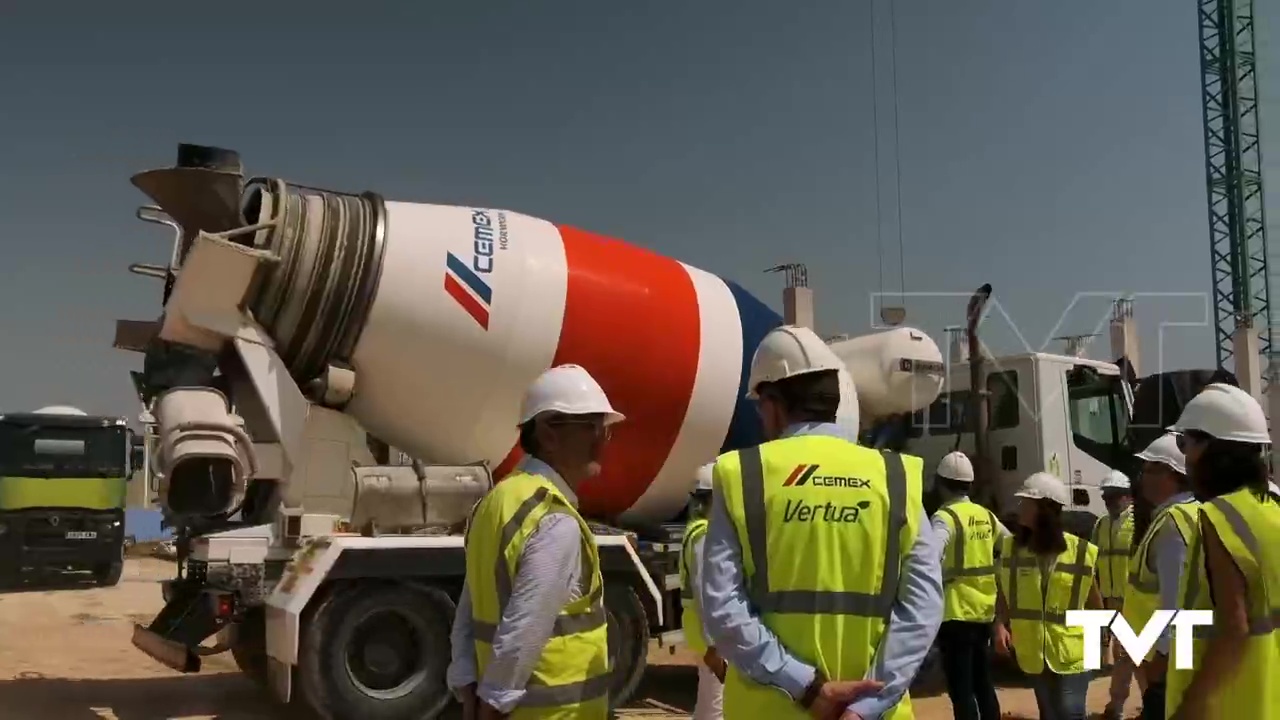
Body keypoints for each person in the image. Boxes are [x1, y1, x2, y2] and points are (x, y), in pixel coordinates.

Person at [700, 324, 944, 720]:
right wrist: (867, 705)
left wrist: (809, 689)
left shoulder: (744, 475)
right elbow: (923, 608)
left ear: (774, 402)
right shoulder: (896, 478)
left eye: (760, 406)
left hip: (770, 710)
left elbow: (723, 609)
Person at [446, 364, 624, 720]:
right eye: (591, 427)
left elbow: (471, 605)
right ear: (548, 434)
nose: (601, 441)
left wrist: (465, 678)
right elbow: (524, 626)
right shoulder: (553, 519)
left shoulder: (497, 500)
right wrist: (493, 703)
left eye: (602, 430)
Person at [1163, 383, 1280, 719]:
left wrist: (1191, 704)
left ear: (1213, 450)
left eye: (1185, 443)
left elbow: (1234, 628)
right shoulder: (1273, 512)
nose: (1184, 456)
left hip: (1229, 705)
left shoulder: (1221, 518)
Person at [993, 472, 1103, 720]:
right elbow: (1004, 591)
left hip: (1073, 650)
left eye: (1027, 503)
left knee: (1070, 712)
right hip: (1034, 651)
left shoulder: (1081, 551)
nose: (1020, 508)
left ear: (1045, 509)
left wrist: (1104, 643)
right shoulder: (1012, 549)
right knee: (1050, 714)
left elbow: (1094, 602)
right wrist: (999, 624)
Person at [1120, 432, 1196, 720]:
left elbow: (1175, 602)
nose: (1143, 478)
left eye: (1152, 469)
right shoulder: (1185, 514)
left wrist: (1161, 661)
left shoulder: (1173, 523)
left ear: (1174, 475)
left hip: (1166, 666)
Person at [929, 450, 1007, 720]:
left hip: (954, 613)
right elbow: (1009, 545)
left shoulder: (944, 518)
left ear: (940, 483)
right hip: (983, 612)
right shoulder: (985, 515)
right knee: (983, 682)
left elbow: (930, 555)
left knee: (961, 689)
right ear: (969, 484)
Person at [680, 462, 724, 720]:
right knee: (717, 707)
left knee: (709, 704)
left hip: (703, 632)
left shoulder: (697, 530)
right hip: (711, 635)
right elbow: (705, 589)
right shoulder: (706, 535)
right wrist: (713, 643)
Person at [1092, 469, 1137, 720]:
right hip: (1111, 600)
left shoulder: (1138, 522)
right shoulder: (1101, 525)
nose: (1109, 501)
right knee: (1124, 656)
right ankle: (1119, 706)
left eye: (1114, 496)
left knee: (1130, 655)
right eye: (1106, 497)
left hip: (1134, 600)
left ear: (1128, 496)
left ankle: (1120, 707)